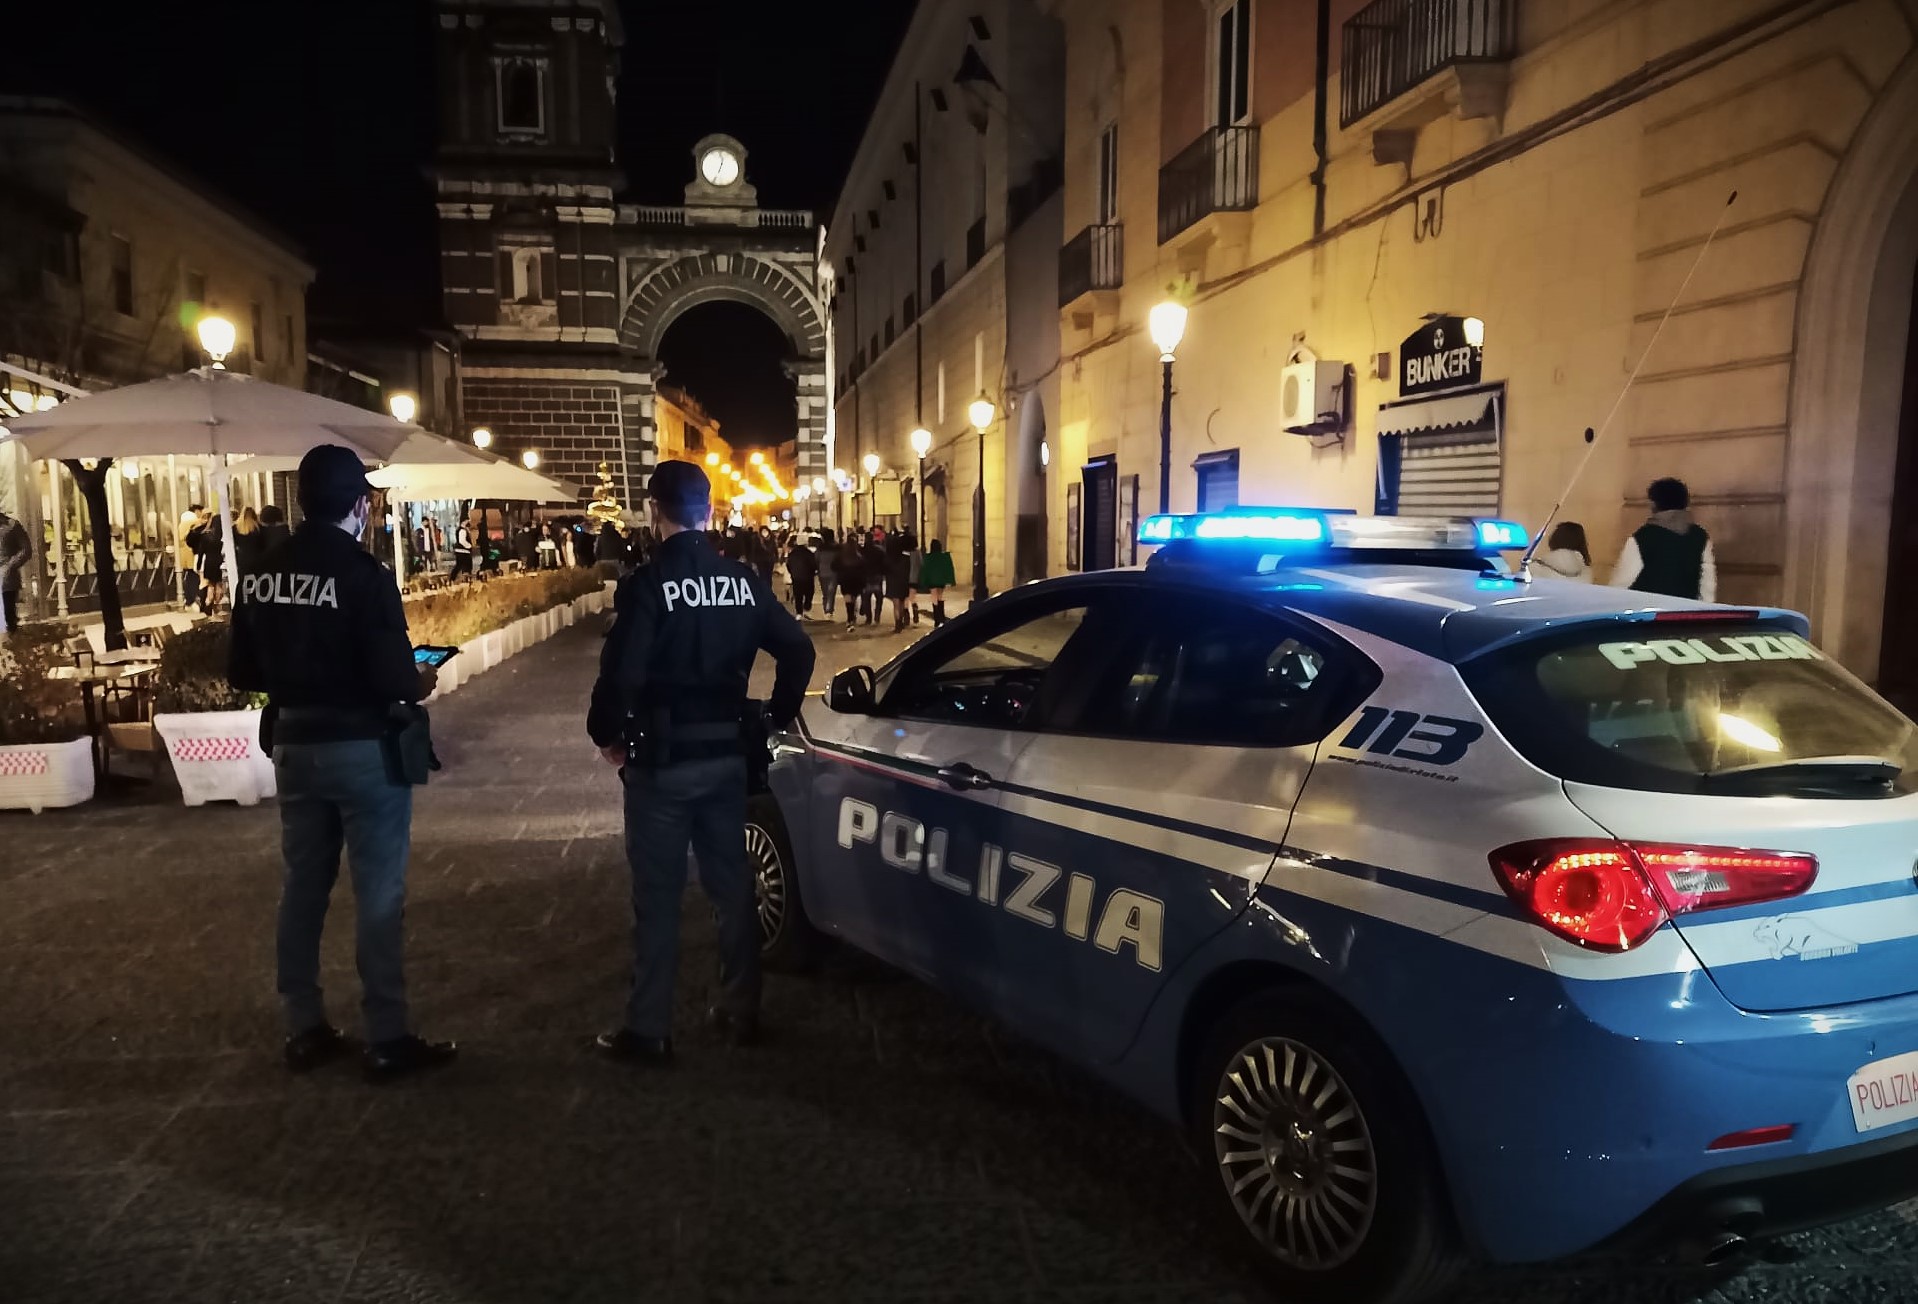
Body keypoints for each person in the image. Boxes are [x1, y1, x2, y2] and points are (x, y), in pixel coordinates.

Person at [228, 444, 455, 1083]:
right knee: (378, 893)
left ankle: (303, 1025)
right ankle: (387, 1034)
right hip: (363, 751)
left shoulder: (262, 571)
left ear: (302, 502)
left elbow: (242, 670)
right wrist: (420, 679)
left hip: (295, 748)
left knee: (303, 885)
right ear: (360, 504)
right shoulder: (364, 574)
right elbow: (394, 677)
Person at [587, 461, 815, 1065]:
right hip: (725, 760)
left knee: (657, 896)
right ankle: (742, 1007)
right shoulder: (741, 581)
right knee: (732, 887)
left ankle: (649, 1027)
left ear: (654, 513)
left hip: (661, 763)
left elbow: (622, 674)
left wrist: (606, 734)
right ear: (709, 513)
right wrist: (777, 714)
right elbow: (797, 647)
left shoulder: (648, 583)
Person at [1613, 478, 1716, 601]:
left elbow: (1622, 583)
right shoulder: (1700, 536)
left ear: (1654, 504)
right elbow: (1707, 586)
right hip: (1685, 613)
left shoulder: (1643, 537)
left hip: (1648, 613)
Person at [0, 506, 32, 633]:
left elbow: (26, 549)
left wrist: (10, 565)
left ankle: (11, 646)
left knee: (8, 617)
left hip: (6, 580)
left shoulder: (12, 525)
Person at [918, 539, 956, 626]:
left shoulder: (928, 557)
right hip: (941, 580)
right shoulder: (944, 557)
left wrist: (922, 581)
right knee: (940, 597)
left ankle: (936, 618)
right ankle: (941, 615)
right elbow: (949, 568)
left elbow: (925, 570)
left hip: (932, 581)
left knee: (934, 597)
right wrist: (951, 580)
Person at [836, 533, 867, 628]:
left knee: (848, 599)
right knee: (853, 597)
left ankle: (850, 618)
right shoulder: (859, 554)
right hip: (856, 579)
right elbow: (863, 567)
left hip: (845, 578)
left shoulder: (841, 553)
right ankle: (853, 615)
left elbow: (834, 565)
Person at [885, 532, 913, 632]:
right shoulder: (906, 558)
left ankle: (897, 624)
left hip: (893, 582)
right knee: (901, 603)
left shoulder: (889, 558)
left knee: (896, 605)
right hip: (903, 582)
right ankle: (900, 622)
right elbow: (908, 570)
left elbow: (886, 571)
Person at [785, 533, 818, 617]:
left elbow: (788, 564)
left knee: (798, 595)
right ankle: (807, 607)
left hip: (796, 577)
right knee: (809, 593)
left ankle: (799, 612)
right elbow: (813, 564)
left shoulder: (792, 553)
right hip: (808, 577)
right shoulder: (809, 553)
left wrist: (792, 572)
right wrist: (814, 571)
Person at [860, 528, 887, 627]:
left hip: (866, 576)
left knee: (866, 598)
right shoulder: (879, 550)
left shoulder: (862, 550)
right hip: (877, 576)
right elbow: (884, 562)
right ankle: (877, 617)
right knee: (879, 598)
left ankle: (868, 618)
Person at [233, 506, 264, 576]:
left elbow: (234, 545)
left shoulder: (235, 528)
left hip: (242, 559)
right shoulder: (258, 528)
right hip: (256, 559)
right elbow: (262, 544)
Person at [814, 528, 838, 618]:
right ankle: (829, 610)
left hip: (822, 572)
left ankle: (826, 609)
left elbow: (816, 559)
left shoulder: (820, 547)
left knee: (825, 593)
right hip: (834, 573)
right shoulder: (836, 547)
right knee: (831, 592)